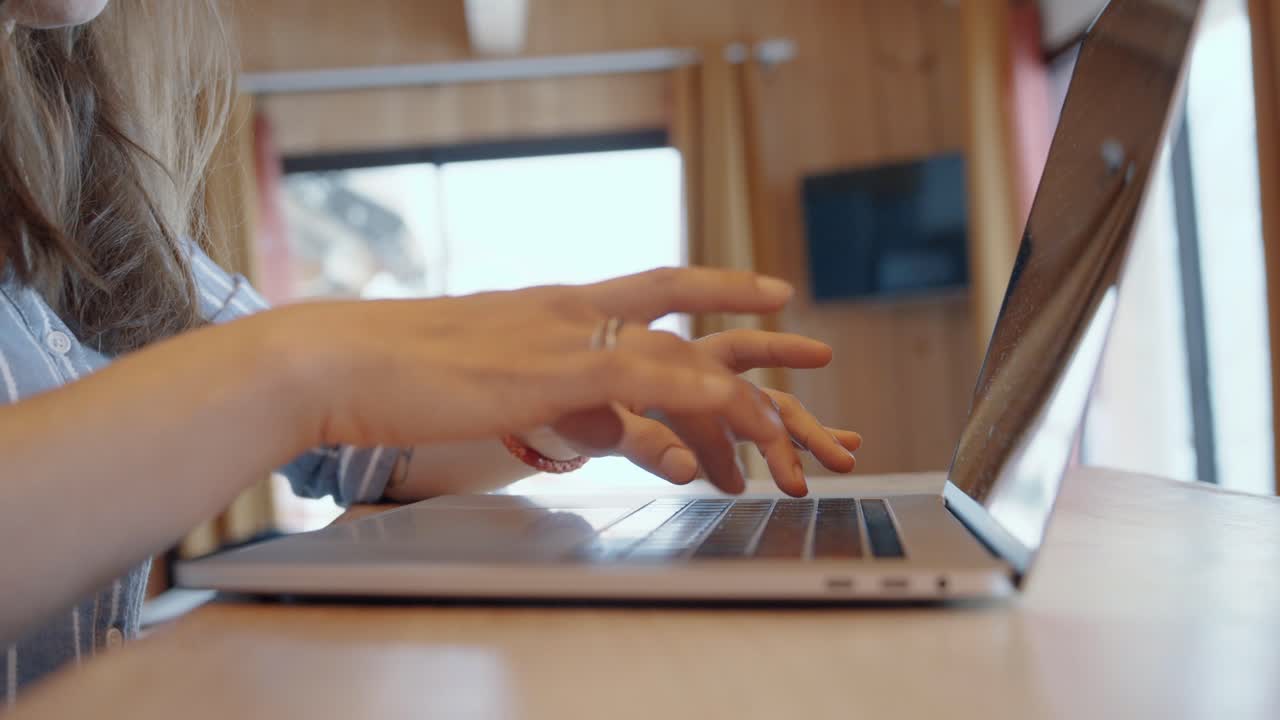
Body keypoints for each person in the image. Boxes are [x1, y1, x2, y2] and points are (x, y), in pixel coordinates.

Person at [0, 0, 862, 704]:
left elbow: (363, 446)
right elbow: (306, 389)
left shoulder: (87, 210)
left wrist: (567, 408)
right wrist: (301, 368)